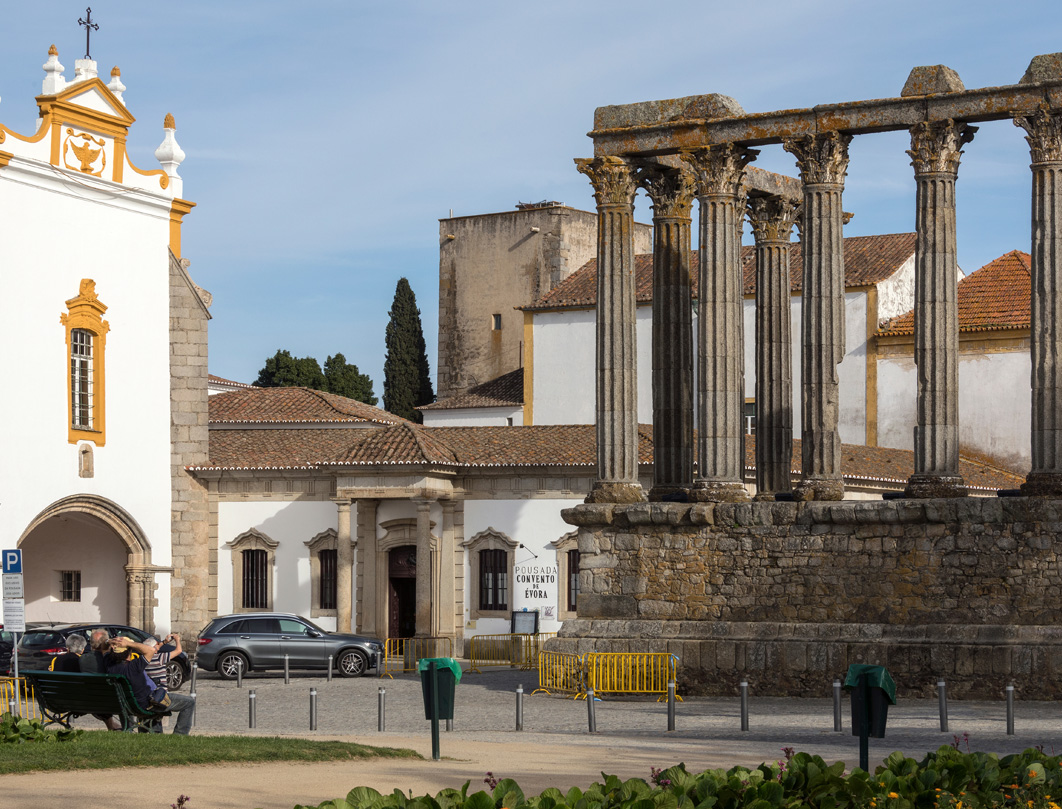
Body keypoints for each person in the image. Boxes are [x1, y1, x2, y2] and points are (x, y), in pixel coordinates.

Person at [105, 637, 195, 735]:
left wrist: (111, 641)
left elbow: (103, 648)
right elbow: (151, 650)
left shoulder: (109, 666)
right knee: (189, 702)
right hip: (147, 704)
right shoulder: (134, 666)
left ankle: (150, 733)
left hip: (129, 705)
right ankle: (179, 735)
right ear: (129, 651)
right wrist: (129, 643)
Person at [79, 629, 122, 731]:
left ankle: (112, 726)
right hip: (111, 702)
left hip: (90, 700)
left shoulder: (83, 659)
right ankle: (126, 727)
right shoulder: (110, 660)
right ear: (106, 643)